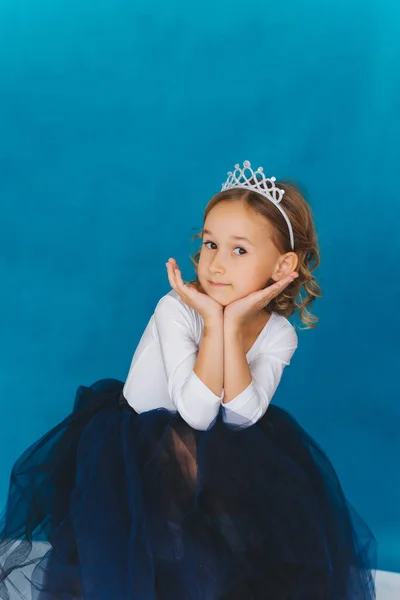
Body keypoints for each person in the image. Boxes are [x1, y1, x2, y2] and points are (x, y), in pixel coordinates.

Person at [0, 160, 377, 599]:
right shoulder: (175, 309)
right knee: (145, 544)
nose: (215, 264)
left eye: (239, 251)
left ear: (282, 266)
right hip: (136, 445)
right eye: (211, 244)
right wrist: (215, 325)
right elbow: (195, 413)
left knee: (236, 529)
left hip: (219, 441)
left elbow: (240, 417)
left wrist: (231, 323)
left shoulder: (279, 333)